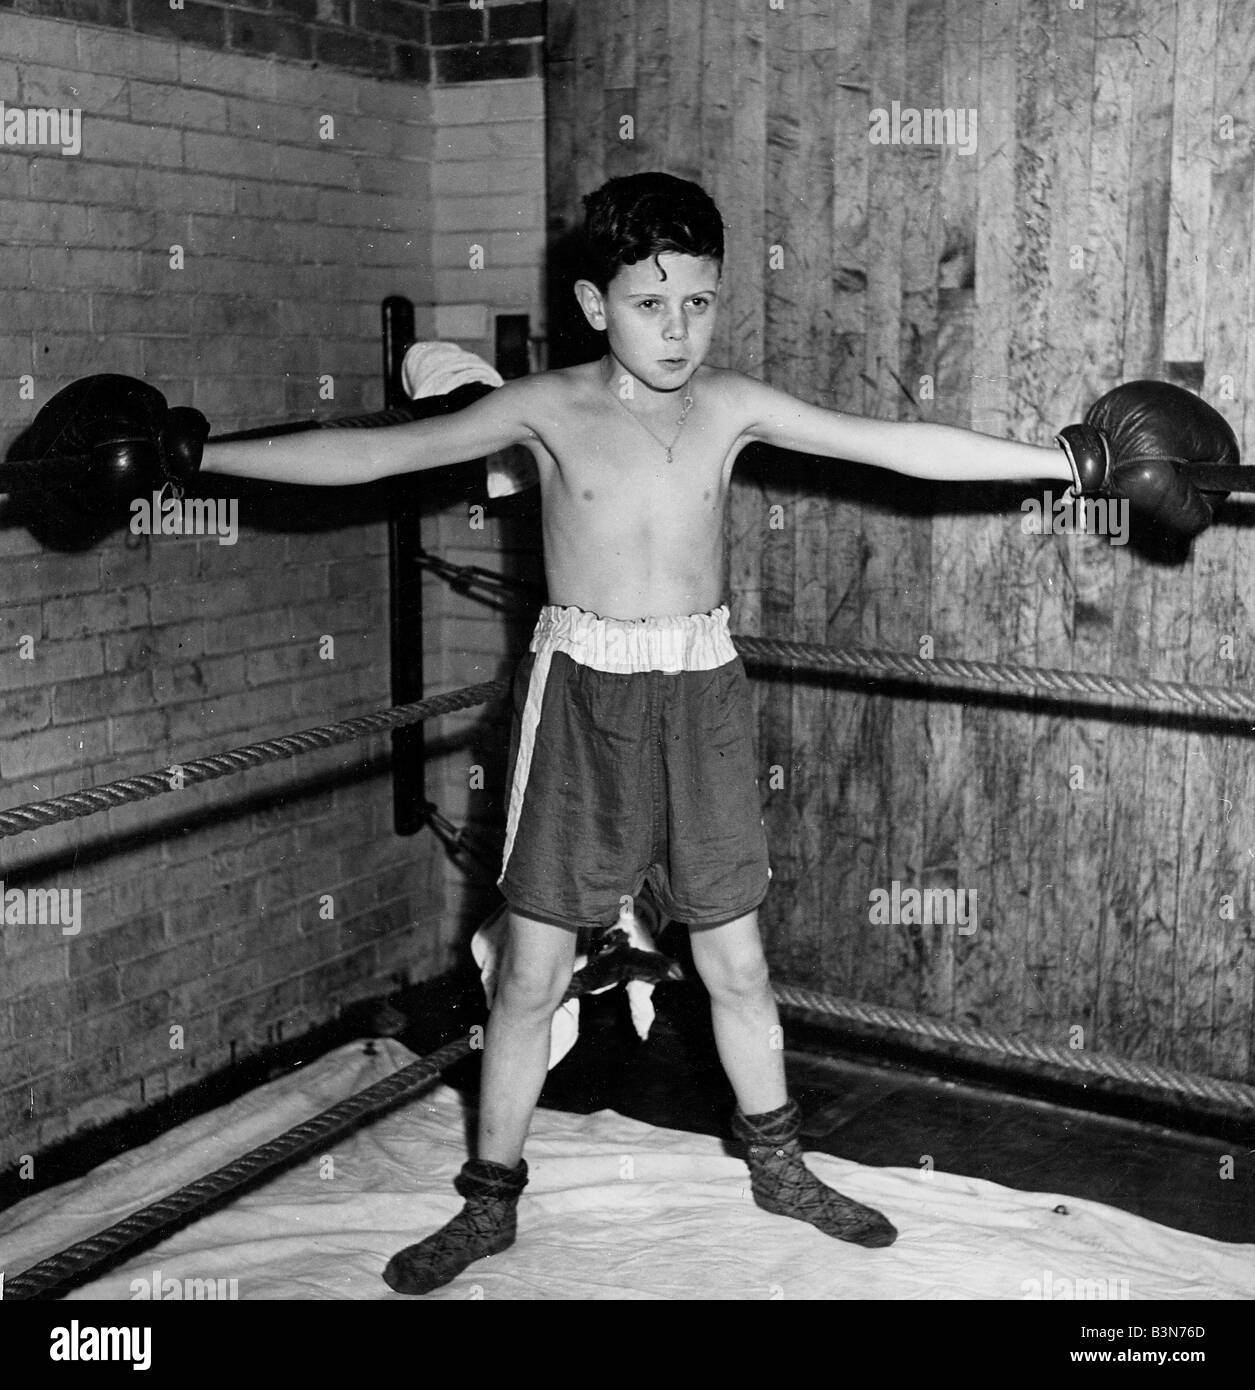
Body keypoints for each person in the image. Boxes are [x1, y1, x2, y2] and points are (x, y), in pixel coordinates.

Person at [51, 171, 1223, 1295]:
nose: (678, 329)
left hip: (701, 689)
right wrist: (200, 456)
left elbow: (890, 441)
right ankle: (490, 1194)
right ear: (593, 305)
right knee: (529, 970)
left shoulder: (732, 405)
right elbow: (376, 449)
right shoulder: (546, 407)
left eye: (700, 301)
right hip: (583, 700)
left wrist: (1062, 460)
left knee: (738, 960)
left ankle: (776, 1163)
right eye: (651, 303)